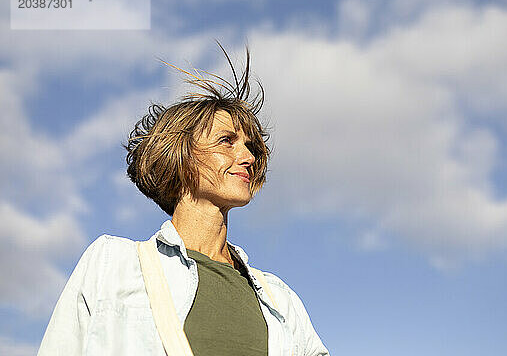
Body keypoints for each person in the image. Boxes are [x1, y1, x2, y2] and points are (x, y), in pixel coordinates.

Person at [38, 46, 329, 356]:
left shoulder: (281, 301)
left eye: (249, 147)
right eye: (226, 141)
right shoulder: (112, 264)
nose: (247, 157)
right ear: (183, 156)